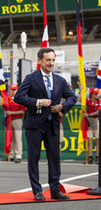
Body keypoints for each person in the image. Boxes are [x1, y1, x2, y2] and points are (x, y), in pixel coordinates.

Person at [14, 47, 76, 201]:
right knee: (33, 158)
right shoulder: (30, 78)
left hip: (53, 125)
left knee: (54, 158)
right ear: (40, 61)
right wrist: (38, 102)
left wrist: (62, 107)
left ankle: (55, 190)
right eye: (48, 60)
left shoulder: (60, 81)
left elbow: (72, 98)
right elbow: (18, 97)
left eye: (53, 60)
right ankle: (37, 191)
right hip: (34, 124)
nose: (51, 63)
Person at [2, 84, 26, 163]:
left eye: (14, 89)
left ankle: (18, 155)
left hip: (17, 119)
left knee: (18, 139)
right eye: (12, 89)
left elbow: (23, 111)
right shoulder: (7, 98)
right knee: (10, 138)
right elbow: (3, 106)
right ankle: (11, 155)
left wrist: (11, 112)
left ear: (17, 90)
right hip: (9, 120)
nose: (13, 91)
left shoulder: (20, 99)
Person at [84, 88, 100, 164]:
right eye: (95, 94)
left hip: (96, 120)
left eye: (97, 94)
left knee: (97, 140)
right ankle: (90, 157)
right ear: (91, 94)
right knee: (90, 140)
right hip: (89, 121)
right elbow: (82, 101)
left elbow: (98, 112)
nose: (97, 95)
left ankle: (97, 157)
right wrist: (82, 90)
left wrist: (89, 114)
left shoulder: (99, 101)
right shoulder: (88, 101)